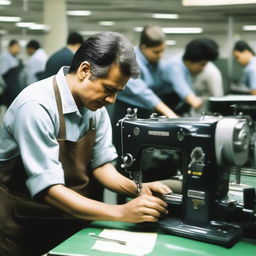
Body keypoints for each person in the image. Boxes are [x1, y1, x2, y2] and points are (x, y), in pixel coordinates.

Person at [0, 31, 171, 256]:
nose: (111, 100)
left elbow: (101, 167)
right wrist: (121, 212)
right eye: (109, 89)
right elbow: (49, 190)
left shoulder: (94, 108)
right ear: (85, 70)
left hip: (72, 221)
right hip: (23, 225)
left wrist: (138, 189)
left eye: (118, 92)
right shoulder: (35, 106)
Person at [113, 25, 178, 122]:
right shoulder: (129, 59)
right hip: (125, 109)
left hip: (146, 107)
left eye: (162, 51)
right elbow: (142, 92)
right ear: (144, 47)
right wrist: (170, 114)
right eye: (156, 52)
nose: (160, 55)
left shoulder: (155, 62)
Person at [0, 39, 22, 106]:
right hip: (8, 90)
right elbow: (1, 74)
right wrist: (5, 87)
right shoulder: (5, 57)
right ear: (11, 47)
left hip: (13, 89)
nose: (18, 50)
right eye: (16, 47)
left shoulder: (14, 58)